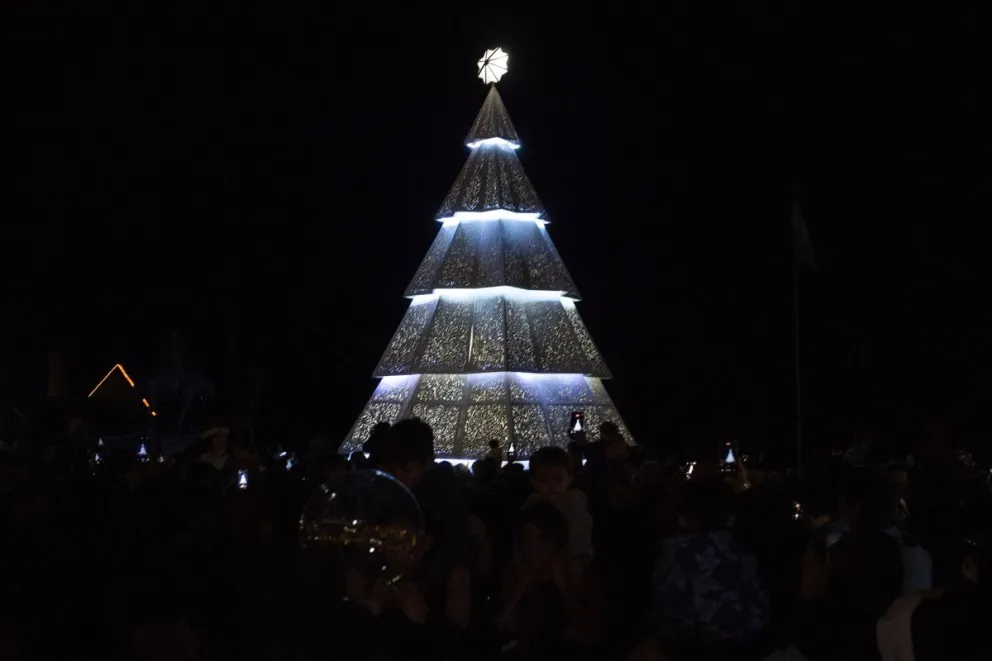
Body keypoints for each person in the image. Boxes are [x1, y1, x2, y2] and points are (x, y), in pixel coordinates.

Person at [523, 447, 593, 579]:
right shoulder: (532, 502)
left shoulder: (573, 501)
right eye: (544, 480)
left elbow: (579, 533)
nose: (551, 485)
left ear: (570, 479)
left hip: (571, 557)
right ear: (533, 482)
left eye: (557, 480)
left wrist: (575, 560)